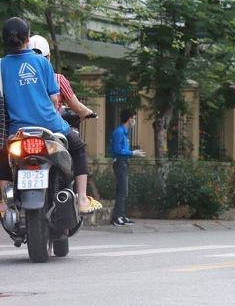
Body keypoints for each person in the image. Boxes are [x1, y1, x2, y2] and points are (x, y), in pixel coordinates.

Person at [0, 17, 101, 214]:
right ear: (27, 37)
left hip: (18, 131)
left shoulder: (1, 66)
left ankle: (4, 203)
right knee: (78, 148)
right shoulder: (42, 62)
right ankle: (82, 199)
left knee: (4, 154)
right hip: (51, 126)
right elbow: (55, 100)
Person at [28, 35, 94, 119]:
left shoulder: (18, 79)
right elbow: (78, 107)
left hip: (21, 124)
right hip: (50, 123)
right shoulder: (58, 80)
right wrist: (89, 112)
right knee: (68, 128)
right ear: (48, 57)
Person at [109, 109, 145, 227]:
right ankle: (117, 217)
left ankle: (121, 215)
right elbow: (117, 149)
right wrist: (132, 153)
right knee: (122, 190)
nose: (134, 120)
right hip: (120, 162)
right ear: (129, 119)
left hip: (124, 162)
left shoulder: (124, 132)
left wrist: (131, 153)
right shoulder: (119, 132)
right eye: (133, 118)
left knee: (123, 191)